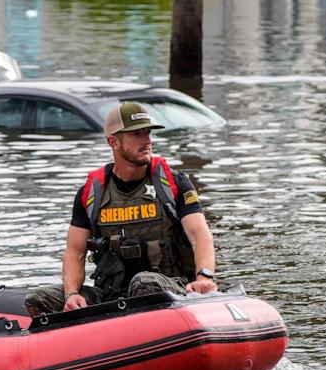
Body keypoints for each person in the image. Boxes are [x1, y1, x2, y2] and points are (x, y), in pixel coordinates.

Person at [25, 102, 218, 315]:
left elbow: (200, 236)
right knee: (39, 298)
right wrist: (72, 295)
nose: (147, 141)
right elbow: (75, 252)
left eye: (148, 133)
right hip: (112, 295)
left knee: (144, 284)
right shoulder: (91, 194)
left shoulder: (173, 184)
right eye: (137, 134)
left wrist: (204, 278)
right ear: (113, 142)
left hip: (170, 289)